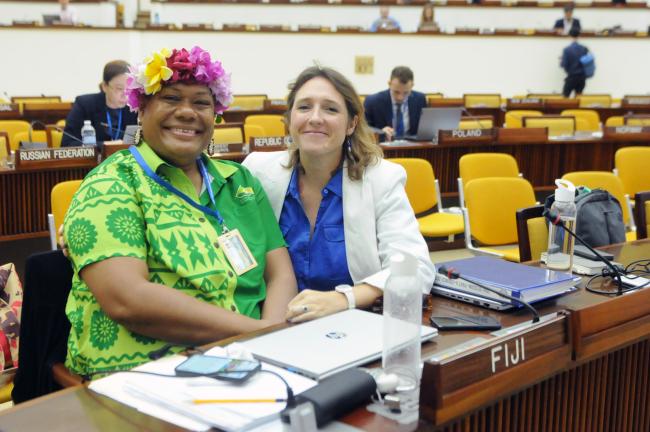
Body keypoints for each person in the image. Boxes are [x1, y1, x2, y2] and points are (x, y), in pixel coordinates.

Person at [62, 46, 296, 377]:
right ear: (141, 110)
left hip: (253, 362)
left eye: (201, 102)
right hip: (149, 373)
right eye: (171, 98)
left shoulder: (239, 181)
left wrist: (271, 337)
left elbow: (280, 274)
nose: (187, 112)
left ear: (215, 116)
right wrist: (255, 335)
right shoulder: (111, 184)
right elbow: (128, 300)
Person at [243, 66, 435, 323]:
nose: (315, 117)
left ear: (351, 124)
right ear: (289, 120)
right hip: (273, 323)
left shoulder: (381, 179)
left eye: (331, 109)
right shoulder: (257, 171)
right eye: (304, 107)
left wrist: (345, 299)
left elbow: (416, 271)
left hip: (351, 324)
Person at [62, 60, 138, 147]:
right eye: (119, 88)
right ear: (104, 86)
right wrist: (105, 145)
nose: (125, 95)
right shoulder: (85, 105)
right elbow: (67, 143)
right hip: (95, 159)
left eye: (128, 89)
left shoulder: (133, 108)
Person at [363, 66, 427, 141]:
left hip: (412, 146)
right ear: (389, 83)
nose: (401, 98)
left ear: (412, 85)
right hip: (384, 147)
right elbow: (363, 127)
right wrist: (380, 132)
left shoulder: (420, 99)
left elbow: (425, 127)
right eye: (396, 92)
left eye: (406, 93)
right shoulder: (373, 101)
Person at [560, 28, 588, 97]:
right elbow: (586, 62)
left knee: (565, 97)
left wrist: (561, 60)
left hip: (572, 77)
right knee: (578, 98)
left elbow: (564, 64)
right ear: (579, 36)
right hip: (582, 78)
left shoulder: (567, 50)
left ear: (569, 36)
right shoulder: (584, 49)